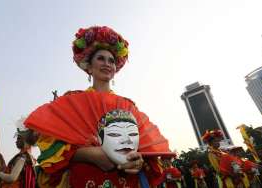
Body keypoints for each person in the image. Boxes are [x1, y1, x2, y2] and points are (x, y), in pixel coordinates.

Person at [24, 26, 172, 187]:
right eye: (100, 58)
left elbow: (146, 151)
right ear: (89, 67)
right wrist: (87, 154)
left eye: (111, 61)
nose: (107, 64)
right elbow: (50, 149)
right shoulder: (72, 101)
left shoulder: (128, 106)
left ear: (115, 69)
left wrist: (138, 161)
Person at [0, 118, 37, 188]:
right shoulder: (26, 156)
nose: (16, 141)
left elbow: (12, 178)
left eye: (18, 138)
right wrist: (1, 161)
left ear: (25, 140)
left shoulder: (23, 157)